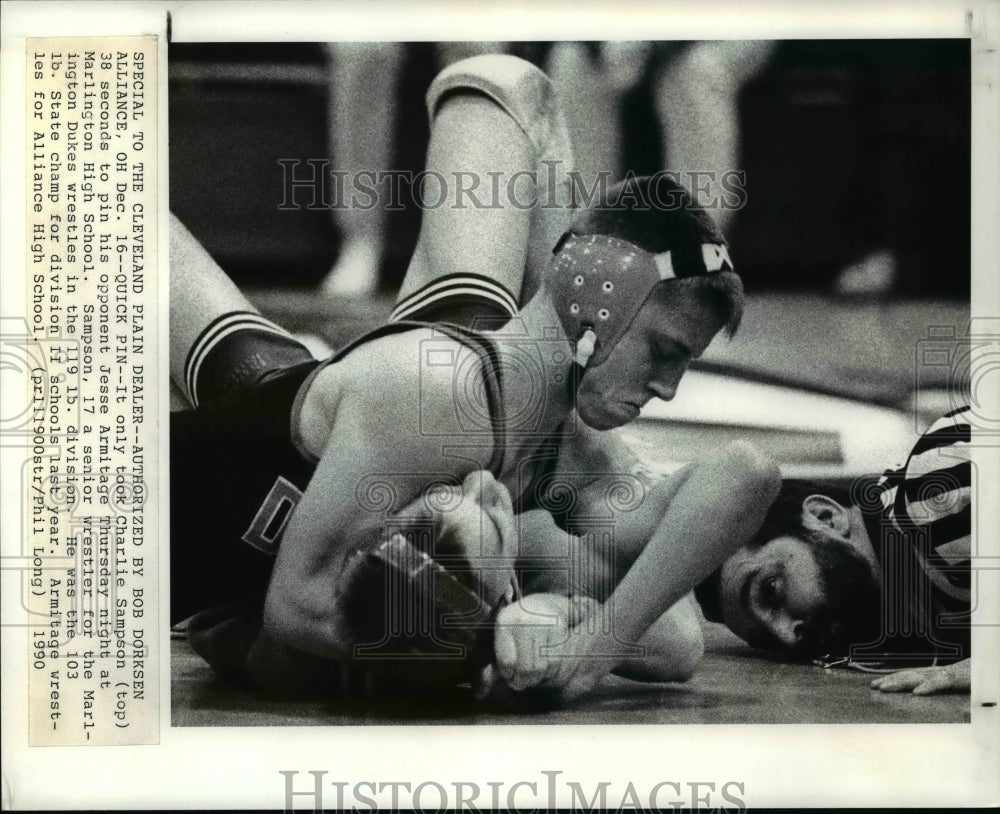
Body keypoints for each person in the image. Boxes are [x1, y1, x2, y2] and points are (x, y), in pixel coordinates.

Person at [170, 54, 781, 702]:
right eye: (664, 351)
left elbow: (741, 487)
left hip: (316, 421)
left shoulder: (572, 459)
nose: (668, 389)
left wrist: (586, 650)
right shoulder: (435, 397)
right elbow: (293, 609)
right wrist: (489, 644)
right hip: (186, 494)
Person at [695, 406, 973, 695]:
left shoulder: (935, 498)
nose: (790, 636)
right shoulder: (912, 600)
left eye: (772, 590)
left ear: (825, 517)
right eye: (769, 642)